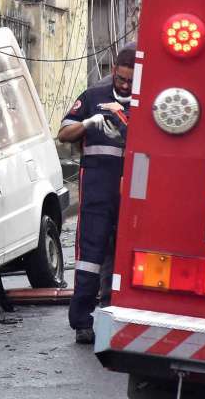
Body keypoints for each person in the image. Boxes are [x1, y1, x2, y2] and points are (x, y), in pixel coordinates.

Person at [58, 46, 136, 345]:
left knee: (125, 258)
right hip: (96, 194)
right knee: (89, 258)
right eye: (121, 78)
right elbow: (64, 133)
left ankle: (116, 313)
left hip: (130, 195)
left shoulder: (145, 101)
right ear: (114, 70)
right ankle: (82, 322)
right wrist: (88, 123)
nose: (125, 85)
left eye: (130, 81)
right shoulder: (93, 97)